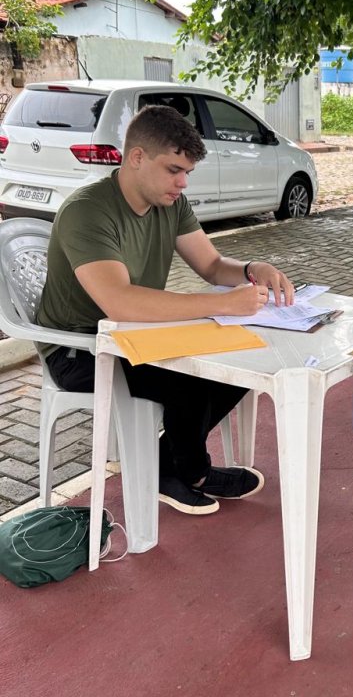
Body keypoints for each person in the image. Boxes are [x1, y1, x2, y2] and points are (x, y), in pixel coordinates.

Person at [36, 104, 294, 517]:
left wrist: (251, 269)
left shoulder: (170, 203)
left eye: (187, 171)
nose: (183, 182)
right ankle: (190, 471)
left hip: (136, 333)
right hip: (80, 347)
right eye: (174, 169)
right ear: (137, 158)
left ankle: (164, 464)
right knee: (188, 381)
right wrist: (223, 303)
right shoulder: (87, 211)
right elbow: (119, 302)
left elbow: (212, 265)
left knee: (245, 359)